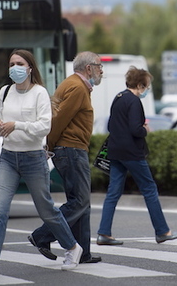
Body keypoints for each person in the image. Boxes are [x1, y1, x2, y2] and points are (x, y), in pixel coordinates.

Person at [0, 49, 83, 276]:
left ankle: (72, 247)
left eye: (19, 63)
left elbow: (44, 127)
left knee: (47, 210)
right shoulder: (4, 91)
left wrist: (16, 125)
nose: (15, 67)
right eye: (11, 63)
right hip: (8, 157)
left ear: (30, 67)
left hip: (33, 158)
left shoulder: (40, 93)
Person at [28, 51, 104, 264]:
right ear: (88, 68)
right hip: (70, 150)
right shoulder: (78, 88)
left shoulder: (75, 85)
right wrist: (50, 146)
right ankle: (41, 236)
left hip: (70, 149)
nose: (102, 70)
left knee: (81, 203)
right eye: (99, 66)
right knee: (80, 201)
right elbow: (57, 120)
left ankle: (83, 252)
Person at [96, 66, 177, 245]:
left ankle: (104, 233)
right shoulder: (134, 101)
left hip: (116, 152)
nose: (147, 90)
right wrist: (145, 129)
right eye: (147, 86)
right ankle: (162, 231)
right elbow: (135, 129)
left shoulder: (118, 98)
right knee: (150, 189)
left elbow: (112, 126)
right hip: (132, 153)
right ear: (140, 85)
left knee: (113, 193)